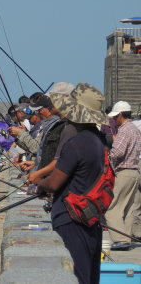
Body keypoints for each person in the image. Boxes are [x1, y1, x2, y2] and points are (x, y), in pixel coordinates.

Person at [29, 84, 107, 284]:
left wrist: (39, 183)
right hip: (89, 217)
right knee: (88, 275)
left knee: (74, 275)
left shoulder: (76, 143)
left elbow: (54, 183)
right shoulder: (97, 139)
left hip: (71, 218)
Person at [105, 101, 141, 250]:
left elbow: (118, 152)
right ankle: (126, 238)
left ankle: (120, 239)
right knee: (128, 208)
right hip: (135, 171)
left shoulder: (125, 130)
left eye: (115, 117)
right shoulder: (134, 129)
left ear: (120, 115)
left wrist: (108, 155)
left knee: (112, 208)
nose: (113, 120)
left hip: (124, 172)